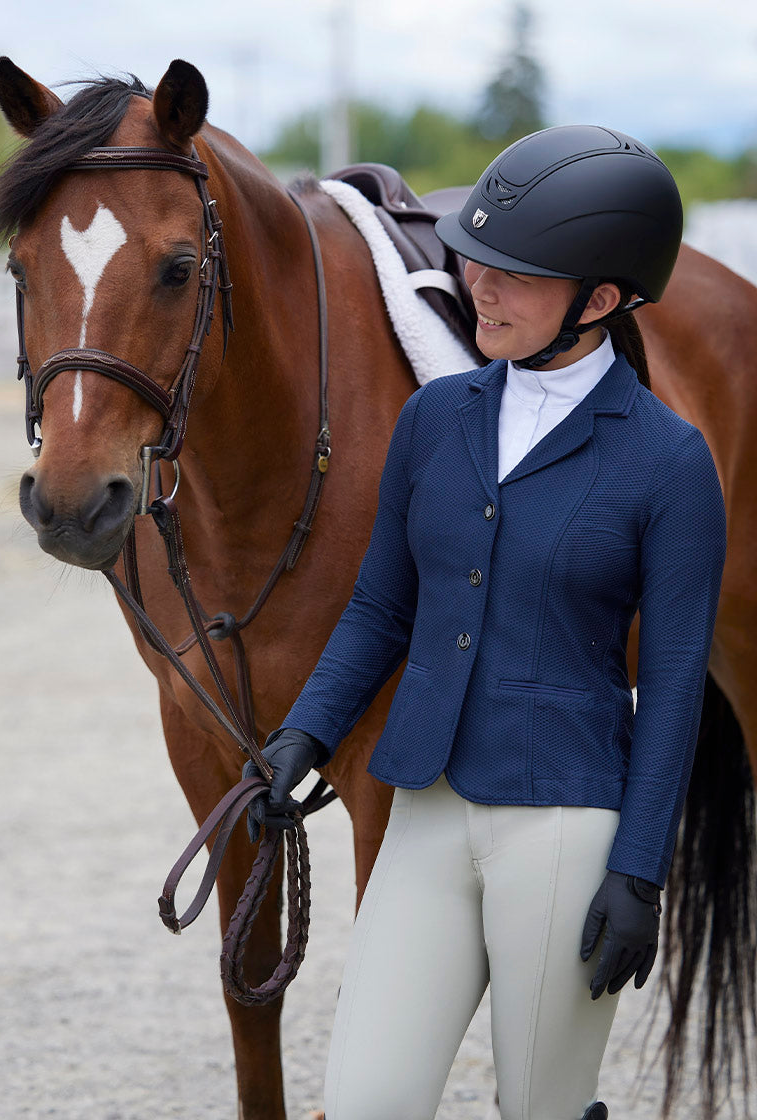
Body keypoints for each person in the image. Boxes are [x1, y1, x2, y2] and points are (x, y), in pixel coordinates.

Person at [244, 125, 728, 1120]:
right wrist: (304, 733)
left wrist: (638, 871)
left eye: (514, 274)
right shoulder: (436, 418)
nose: (477, 288)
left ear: (599, 300)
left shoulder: (668, 462)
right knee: (367, 1098)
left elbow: (676, 682)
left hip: (563, 824)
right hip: (424, 807)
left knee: (541, 1108)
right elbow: (382, 606)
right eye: (474, 261)